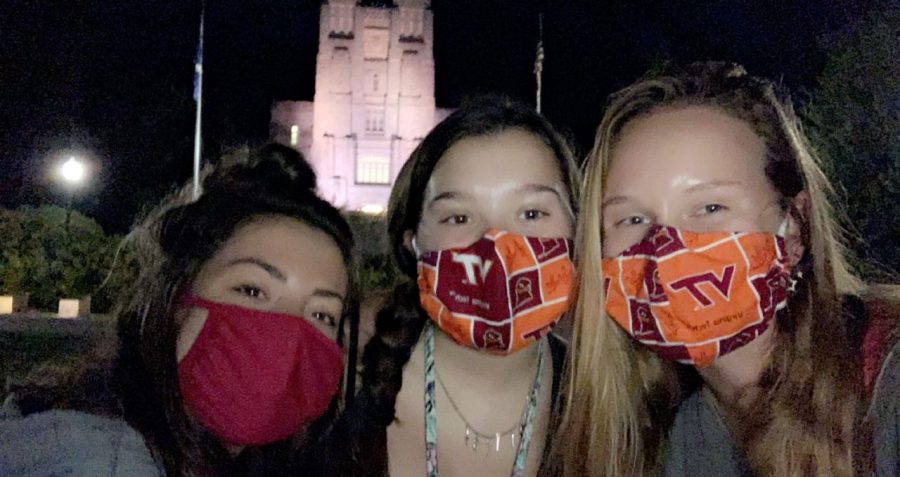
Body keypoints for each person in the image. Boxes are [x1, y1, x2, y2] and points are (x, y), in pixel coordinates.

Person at [554, 61, 900, 476]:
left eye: (710, 207)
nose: (666, 246)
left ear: (794, 227)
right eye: (632, 219)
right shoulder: (682, 435)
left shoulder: (887, 382)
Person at [0, 144, 360, 476]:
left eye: (322, 315)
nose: (288, 331)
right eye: (252, 290)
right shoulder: (98, 462)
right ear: (174, 299)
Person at [350, 96, 581, 477]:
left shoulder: (617, 406)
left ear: (576, 230)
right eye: (459, 217)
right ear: (414, 242)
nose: (496, 243)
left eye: (532, 213)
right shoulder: (340, 395)